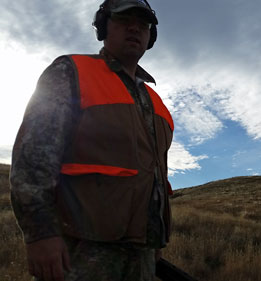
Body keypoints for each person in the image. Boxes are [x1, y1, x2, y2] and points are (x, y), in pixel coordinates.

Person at [10, 0, 174, 280]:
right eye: (124, 20)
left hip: (142, 255)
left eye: (144, 23)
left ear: (151, 37)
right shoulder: (70, 72)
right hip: (81, 251)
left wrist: (155, 238)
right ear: (103, 27)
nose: (135, 27)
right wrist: (40, 235)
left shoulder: (157, 103)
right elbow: (33, 159)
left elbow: (155, 178)